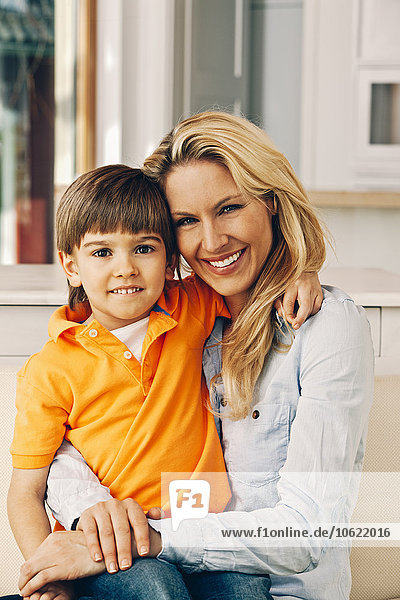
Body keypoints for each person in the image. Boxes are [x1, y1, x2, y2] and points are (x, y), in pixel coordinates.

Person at [16, 111, 373, 600]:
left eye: (229, 208)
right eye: (186, 221)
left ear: (271, 202)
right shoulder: (183, 314)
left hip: (273, 589)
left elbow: (305, 531)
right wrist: (93, 520)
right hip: (164, 572)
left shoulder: (323, 325)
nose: (211, 241)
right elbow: (69, 446)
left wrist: (153, 541)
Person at [7, 165, 236, 600]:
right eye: (101, 253)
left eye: (143, 248)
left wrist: (304, 272)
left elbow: (259, 279)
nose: (125, 268)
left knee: (247, 590)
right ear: (70, 266)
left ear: (170, 261)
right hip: (109, 551)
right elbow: (25, 492)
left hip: (199, 533)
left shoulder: (193, 307)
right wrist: (48, 572)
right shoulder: (48, 370)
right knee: (156, 588)